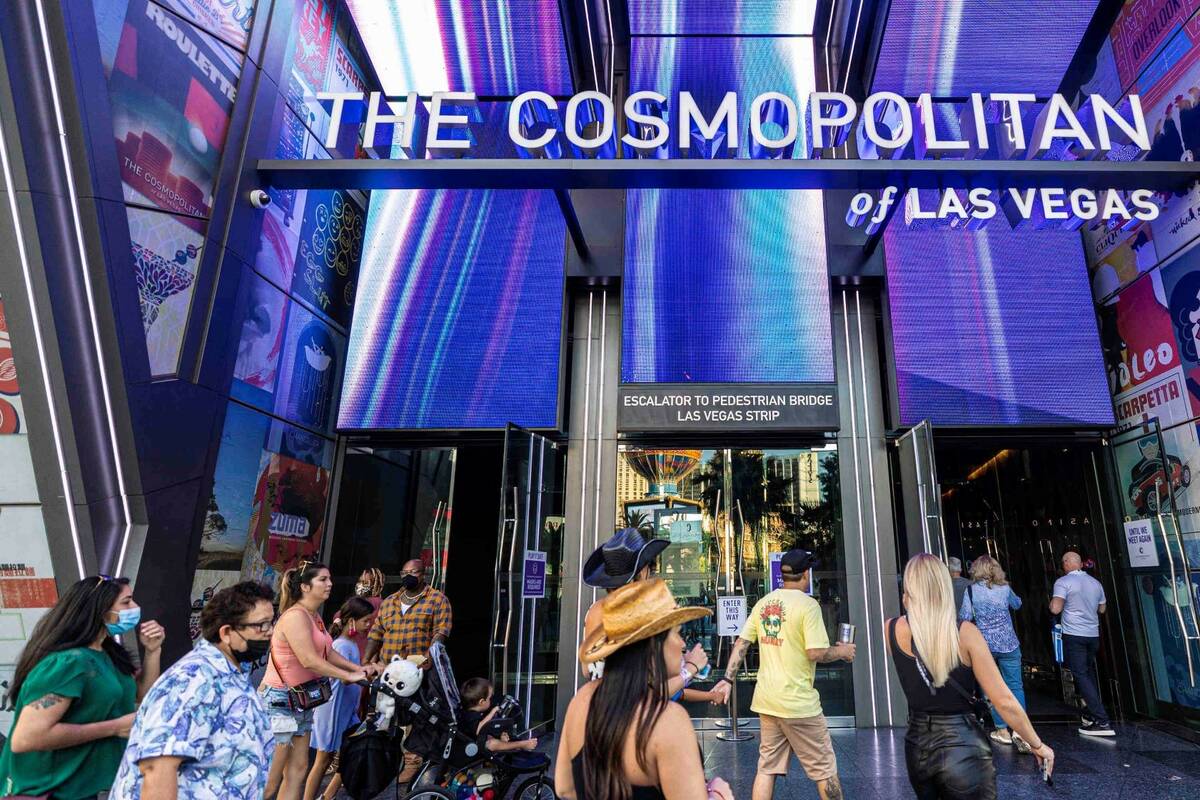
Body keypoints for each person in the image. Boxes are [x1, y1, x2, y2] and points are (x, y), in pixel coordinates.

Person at [887, 554, 1054, 799]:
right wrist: (1037, 744)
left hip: (917, 746)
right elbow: (1003, 700)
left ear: (908, 589)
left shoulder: (890, 628)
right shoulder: (965, 633)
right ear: (943, 587)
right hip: (964, 744)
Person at [557, 579, 732, 800]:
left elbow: (565, 788)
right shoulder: (668, 720)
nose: (682, 644)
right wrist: (719, 795)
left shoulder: (581, 701)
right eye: (677, 633)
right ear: (654, 645)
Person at [0, 575, 164, 800]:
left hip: (83, 790)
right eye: (126, 602)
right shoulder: (70, 663)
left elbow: (141, 694)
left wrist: (153, 651)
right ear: (100, 609)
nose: (135, 608)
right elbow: (26, 738)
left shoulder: (105, 654)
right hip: (50, 792)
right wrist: (114, 727)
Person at [109, 581, 277, 799]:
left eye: (271, 623)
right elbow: (157, 768)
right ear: (226, 632)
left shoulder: (230, 675)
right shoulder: (193, 679)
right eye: (261, 625)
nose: (270, 632)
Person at [712, 549, 853, 800]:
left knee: (766, 768)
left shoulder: (764, 603)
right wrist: (841, 652)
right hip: (799, 705)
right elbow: (816, 653)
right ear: (806, 574)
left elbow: (742, 644)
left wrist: (727, 679)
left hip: (768, 702)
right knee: (825, 770)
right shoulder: (808, 606)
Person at [261, 562, 373, 800]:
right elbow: (309, 660)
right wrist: (348, 676)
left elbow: (328, 652)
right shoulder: (295, 617)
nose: (329, 583)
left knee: (298, 772)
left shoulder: (314, 617)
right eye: (322, 579)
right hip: (281, 701)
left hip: (302, 701)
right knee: (270, 780)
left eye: (329, 578)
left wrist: (358, 668)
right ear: (304, 586)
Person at [580, 529, 715, 703]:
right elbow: (651, 695)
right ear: (643, 571)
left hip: (599, 711)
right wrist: (690, 668)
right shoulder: (640, 616)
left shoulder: (594, 611)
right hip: (633, 720)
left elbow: (587, 670)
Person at [303, 596, 376, 800]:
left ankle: (327, 796)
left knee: (349, 756)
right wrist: (369, 672)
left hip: (345, 709)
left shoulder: (350, 644)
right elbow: (345, 680)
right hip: (334, 709)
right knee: (323, 759)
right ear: (352, 620)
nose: (369, 626)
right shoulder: (342, 646)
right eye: (366, 621)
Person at [958, 555, 1029, 751]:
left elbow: (965, 616)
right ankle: (1021, 731)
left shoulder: (971, 591)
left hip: (985, 646)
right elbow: (1017, 604)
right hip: (1009, 644)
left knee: (991, 688)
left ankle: (1002, 729)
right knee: (1015, 686)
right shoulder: (1005, 589)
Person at [1051, 551, 1114, 737]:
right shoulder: (1095, 583)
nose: (1063, 566)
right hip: (1093, 634)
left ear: (1067, 563)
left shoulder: (1063, 582)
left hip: (1074, 634)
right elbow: (1102, 609)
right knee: (1088, 673)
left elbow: (1056, 607)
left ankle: (1102, 720)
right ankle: (1094, 715)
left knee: (1080, 675)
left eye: (1063, 562)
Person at [363, 559, 452, 666]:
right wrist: (366, 661)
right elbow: (375, 634)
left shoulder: (438, 600)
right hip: (387, 668)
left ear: (423, 574)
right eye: (404, 573)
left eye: (413, 572)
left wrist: (426, 659)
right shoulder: (389, 601)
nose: (407, 576)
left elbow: (440, 634)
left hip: (418, 669)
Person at [459, 678, 539, 753]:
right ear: (482, 702)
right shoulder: (469, 715)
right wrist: (493, 712)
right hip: (471, 746)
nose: (491, 700)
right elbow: (478, 730)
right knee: (492, 744)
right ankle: (521, 745)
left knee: (497, 737)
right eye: (490, 698)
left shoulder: (474, 712)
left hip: (480, 740)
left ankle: (510, 745)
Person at [342, 568, 385, 659]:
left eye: (366, 582)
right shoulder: (358, 601)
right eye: (360, 581)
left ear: (376, 584)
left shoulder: (377, 603)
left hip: (362, 655)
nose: (361, 585)